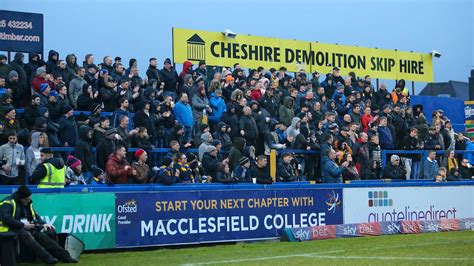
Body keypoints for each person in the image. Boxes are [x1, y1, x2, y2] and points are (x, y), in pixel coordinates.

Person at [0, 185, 78, 263]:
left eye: (30, 198)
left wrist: (43, 224)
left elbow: (35, 215)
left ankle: (65, 256)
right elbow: (6, 219)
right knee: (26, 235)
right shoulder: (8, 203)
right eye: (27, 200)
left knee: (42, 235)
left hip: (22, 227)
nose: (29, 201)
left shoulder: (28, 202)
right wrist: (23, 225)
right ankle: (47, 258)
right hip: (8, 229)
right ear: (21, 198)